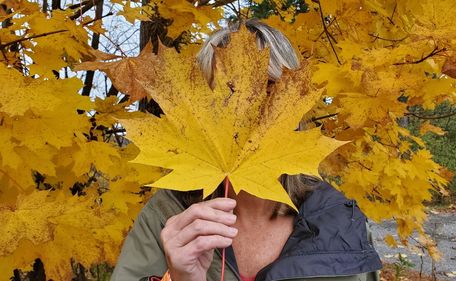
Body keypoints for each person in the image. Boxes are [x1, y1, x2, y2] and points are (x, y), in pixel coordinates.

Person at [111, 20, 382, 281]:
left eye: (269, 90)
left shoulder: (338, 220)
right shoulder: (168, 217)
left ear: (296, 105)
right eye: (227, 94)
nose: (247, 112)